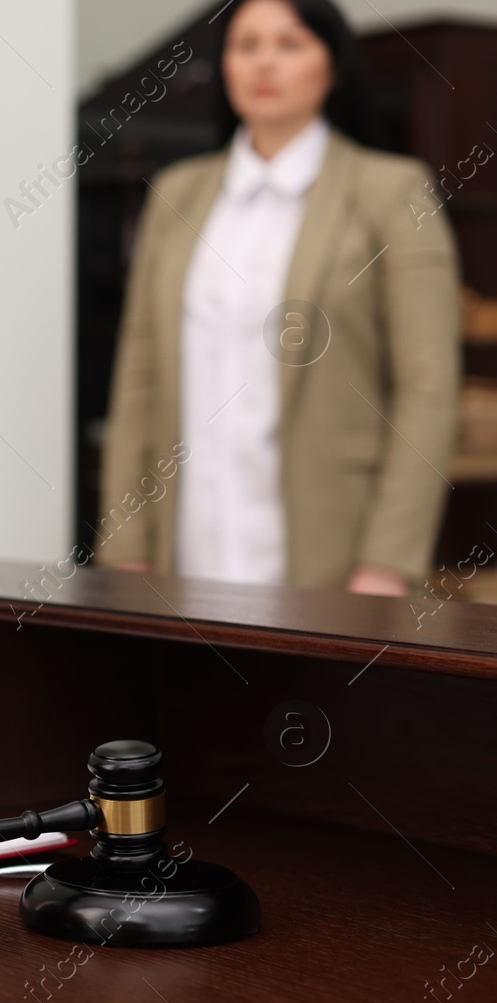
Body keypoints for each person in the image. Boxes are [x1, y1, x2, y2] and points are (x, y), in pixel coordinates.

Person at [95, 0, 460, 593]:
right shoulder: (176, 194)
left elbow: (428, 385)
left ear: (333, 65)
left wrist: (387, 562)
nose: (265, 64)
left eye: (290, 45)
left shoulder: (392, 191)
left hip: (333, 553)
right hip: (185, 543)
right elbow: (138, 375)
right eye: (246, 46)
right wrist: (125, 542)